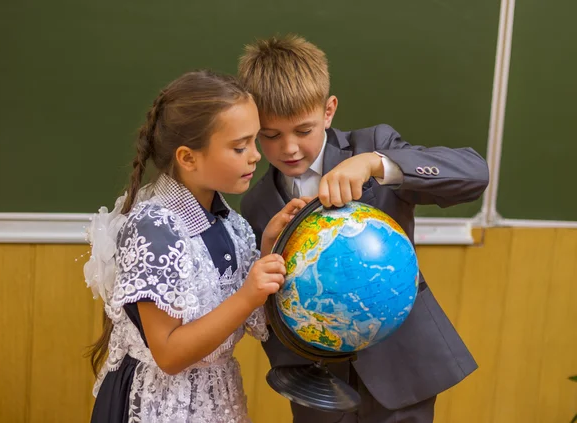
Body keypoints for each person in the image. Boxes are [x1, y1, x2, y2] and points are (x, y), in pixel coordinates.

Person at [238, 35, 490, 422]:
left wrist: (378, 164)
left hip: (401, 374)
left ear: (328, 110)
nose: (289, 148)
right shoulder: (255, 204)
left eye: (303, 130)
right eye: (270, 135)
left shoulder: (372, 146)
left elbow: (474, 174)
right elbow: (268, 301)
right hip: (319, 390)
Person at [83, 70, 306, 423]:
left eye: (254, 142)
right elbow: (169, 354)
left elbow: (246, 316)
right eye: (239, 147)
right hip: (160, 405)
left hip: (213, 400)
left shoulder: (231, 223)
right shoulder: (154, 229)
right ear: (188, 158)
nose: (255, 156)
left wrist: (267, 248)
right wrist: (248, 293)